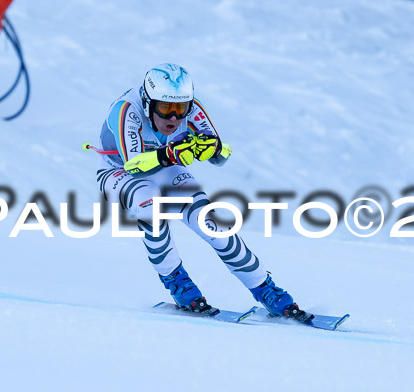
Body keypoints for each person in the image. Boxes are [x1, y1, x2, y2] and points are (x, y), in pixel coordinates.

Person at [94, 63, 310, 321]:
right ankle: (179, 284)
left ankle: (266, 288)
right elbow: (134, 165)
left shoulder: (192, 110)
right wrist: (171, 153)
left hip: (164, 168)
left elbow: (222, 154)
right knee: (150, 208)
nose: (174, 118)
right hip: (119, 172)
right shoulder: (126, 111)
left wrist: (213, 149)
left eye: (180, 109)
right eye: (165, 108)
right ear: (147, 101)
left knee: (211, 224)